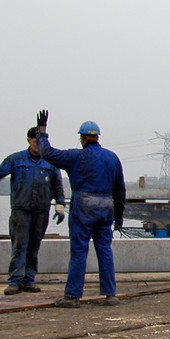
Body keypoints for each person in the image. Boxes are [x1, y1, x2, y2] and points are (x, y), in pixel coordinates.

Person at [33, 110, 126, 307]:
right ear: (97, 137)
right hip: (106, 207)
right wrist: (119, 218)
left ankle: (72, 296)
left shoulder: (76, 157)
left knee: (79, 251)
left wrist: (42, 133)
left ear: (82, 138)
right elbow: (119, 190)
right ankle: (110, 294)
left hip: (83, 208)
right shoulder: (112, 158)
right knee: (104, 250)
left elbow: (47, 153)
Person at [0, 127, 67, 295]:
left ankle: (29, 280)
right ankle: (15, 281)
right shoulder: (16, 159)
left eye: (40, 142)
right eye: (34, 141)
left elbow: (57, 185)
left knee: (34, 246)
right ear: (28, 141)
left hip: (41, 210)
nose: (37, 145)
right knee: (19, 245)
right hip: (21, 210)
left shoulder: (50, 162)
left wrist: (60, 204)